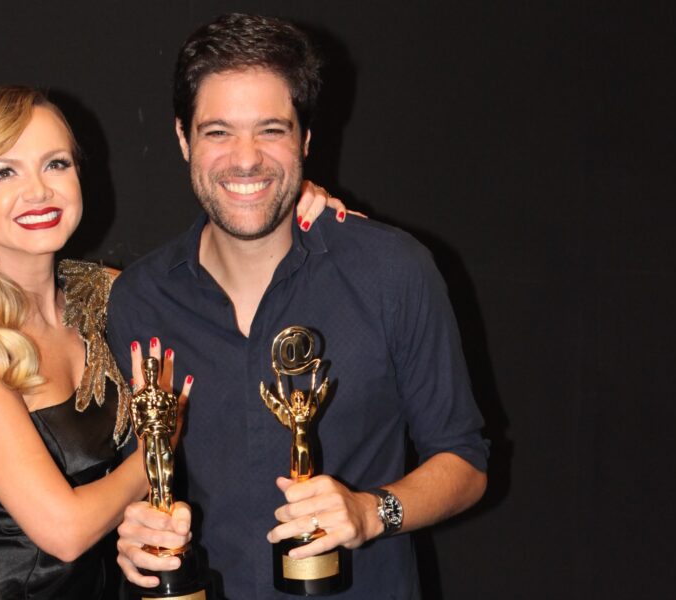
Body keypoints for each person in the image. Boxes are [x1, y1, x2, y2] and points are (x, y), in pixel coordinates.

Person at [0, 85, 349, 599]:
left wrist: (294, 211)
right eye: (4, 172)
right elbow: (65, 532)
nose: (39, 191)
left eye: (55, 164)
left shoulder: (108, 295)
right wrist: (162, 443)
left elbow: (221, 279)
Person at [106, 13, 489, 599]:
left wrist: (371, 512)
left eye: (271, 130)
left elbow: (465, 463)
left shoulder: (392, 272)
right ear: (183, 138)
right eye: (218, 132)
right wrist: (135, 531)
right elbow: (138, 472)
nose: (246, 159)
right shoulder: (140, 299)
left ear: (305, 139)